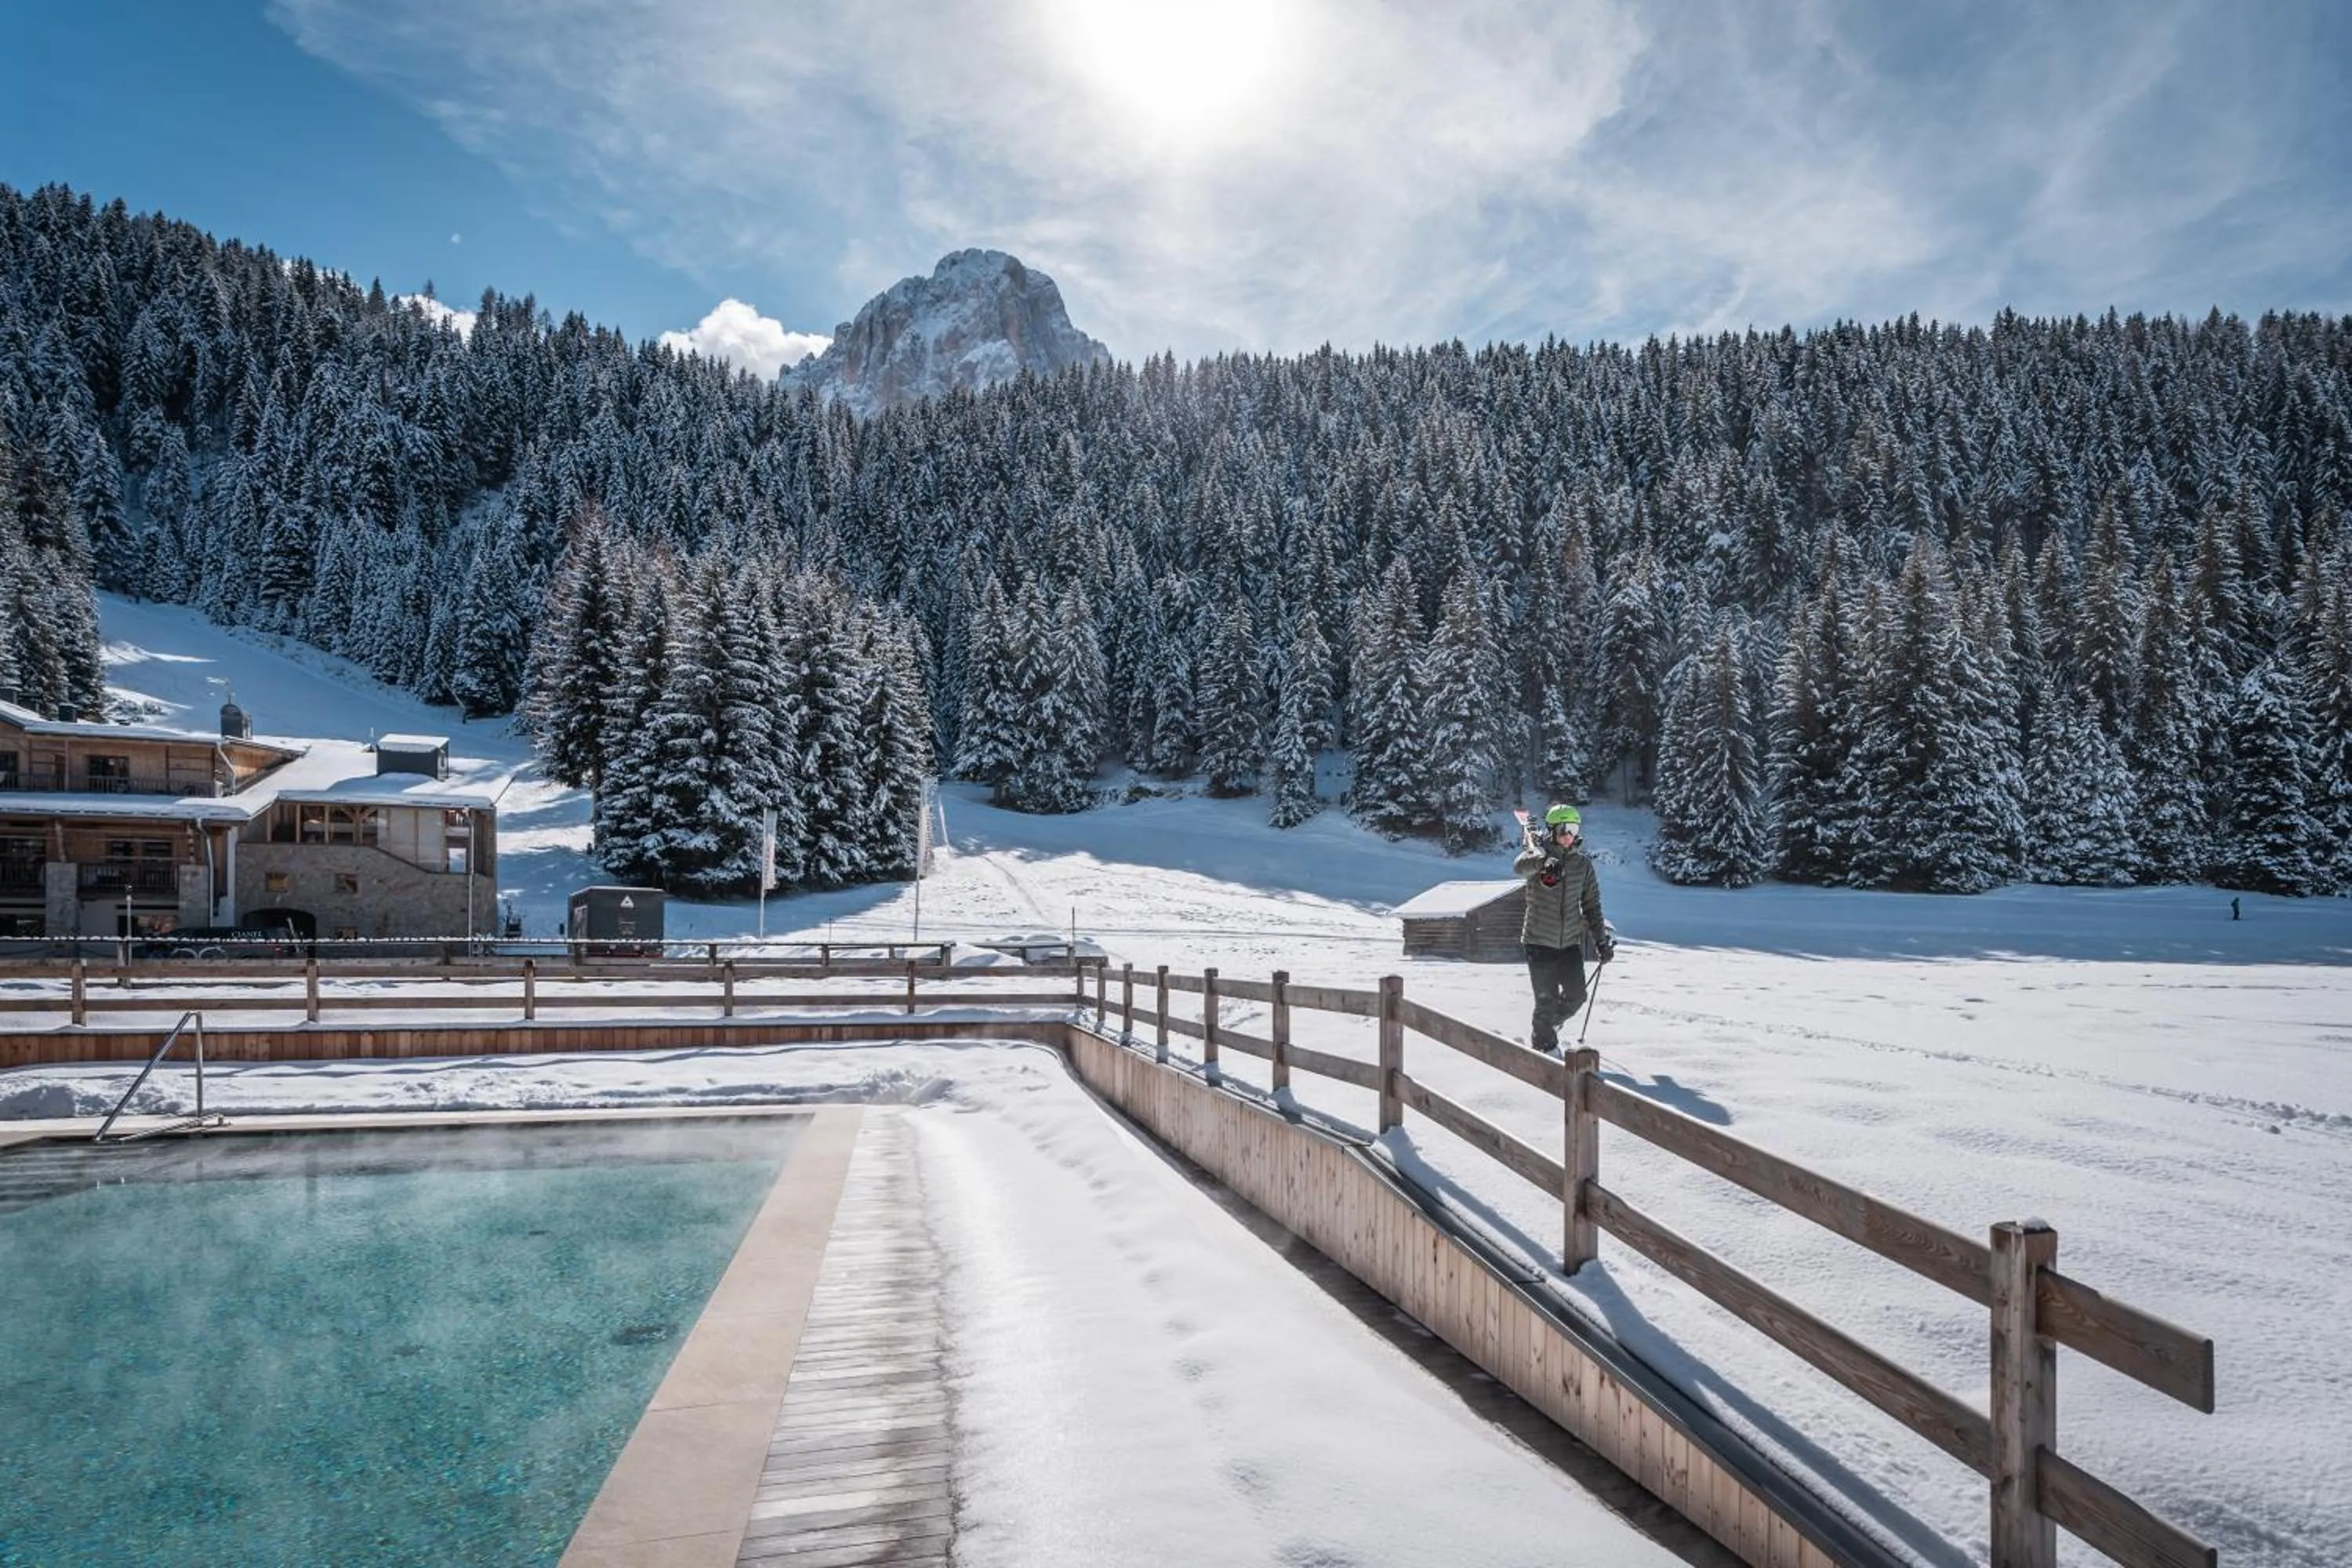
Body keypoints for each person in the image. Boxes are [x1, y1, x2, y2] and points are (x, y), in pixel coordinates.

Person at [1514, 803, 1613, 1054]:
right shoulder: (1537, 855)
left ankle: (1547, 1026)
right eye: (1563, 829)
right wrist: (1542, 859)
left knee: (1577, 996)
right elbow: (1519, 868)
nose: (1569, 834)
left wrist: (1601, 941)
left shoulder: (1582, 865)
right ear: (1552, 830)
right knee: (1545, 1000)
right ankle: (1546, 1050)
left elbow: (1592, 906)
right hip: (1538, 941)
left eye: (1574, 828)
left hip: (1569, 943)